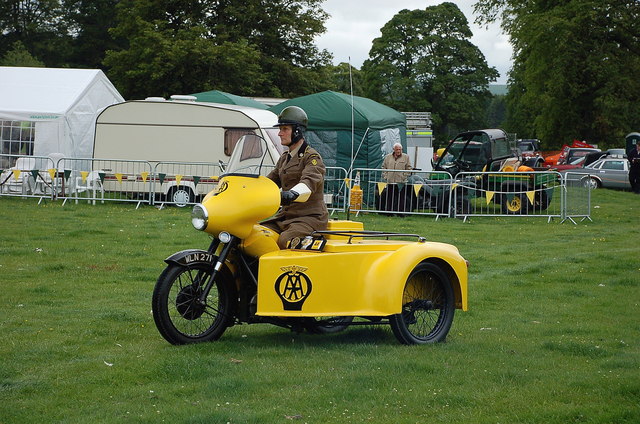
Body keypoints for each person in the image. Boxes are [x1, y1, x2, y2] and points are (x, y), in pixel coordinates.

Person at [262, 106, 328, 248]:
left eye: (284, 129)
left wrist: (293, 193)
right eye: (280, 129)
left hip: (309, 218)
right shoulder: (285, 158)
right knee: (254, 234)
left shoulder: (311, 157)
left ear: (297, 131)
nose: (279, 133)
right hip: (285, 217)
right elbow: (269, 182)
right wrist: (249, 188)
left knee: (285, 240)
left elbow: (310, 180)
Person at [380, 143, 413, 213]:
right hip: (390, 181)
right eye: (397, 149)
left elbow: (409, 168)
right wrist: (386, 176)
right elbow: (383, 167)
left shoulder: (406, 157)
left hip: (401, 182)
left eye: (400, 149)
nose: (398, 151)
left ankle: (400, 213)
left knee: (401, 198)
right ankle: (389, 212)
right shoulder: (388, 157)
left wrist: (404, 176)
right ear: (394, 150)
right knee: (389, 198)